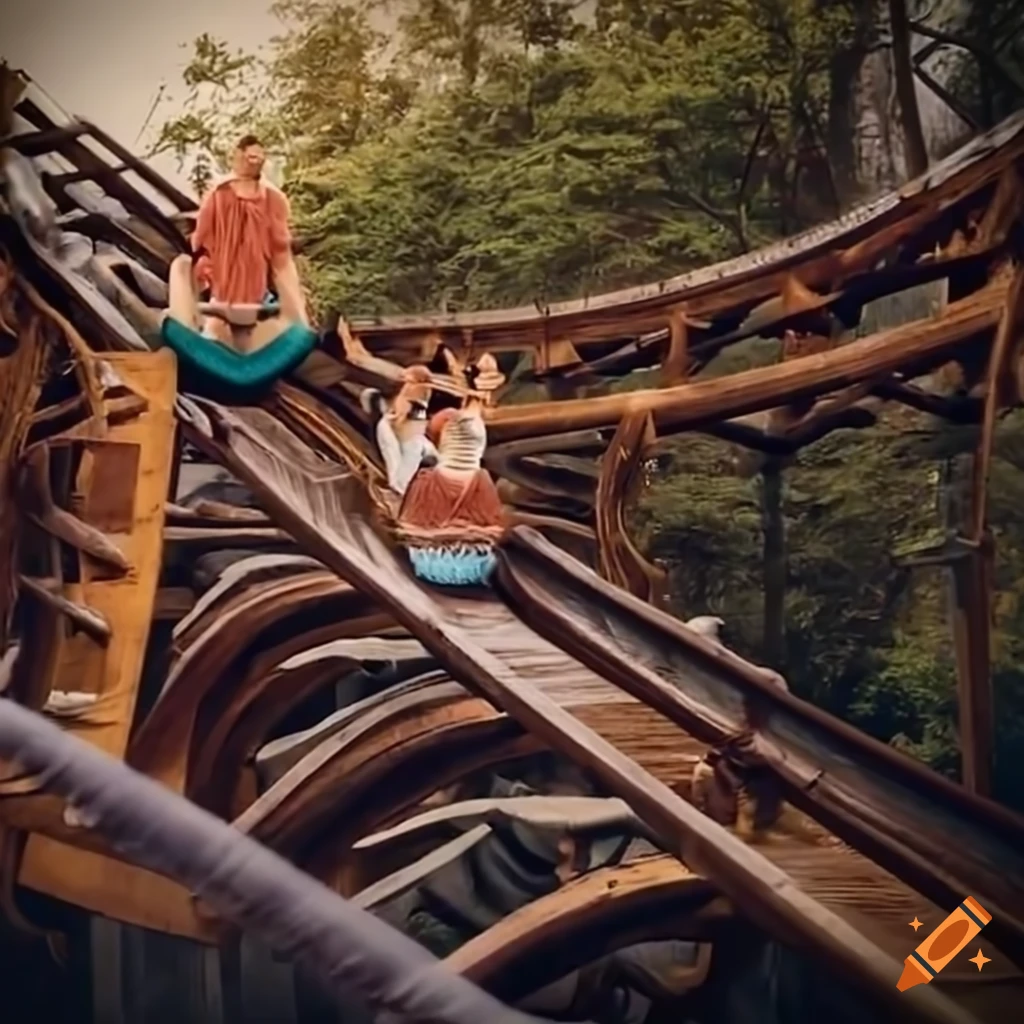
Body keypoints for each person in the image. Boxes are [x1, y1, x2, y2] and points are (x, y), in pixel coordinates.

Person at [190, 134, 308, 347]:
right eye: (249, 156)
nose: (253, 161)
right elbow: (199, 244)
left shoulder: (273, 199)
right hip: (222, 293)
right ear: (237, 156)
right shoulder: (217, 195)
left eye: (257, 157)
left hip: (256, 293)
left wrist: (298, 315)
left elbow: (281, 258)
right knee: (217, 333)